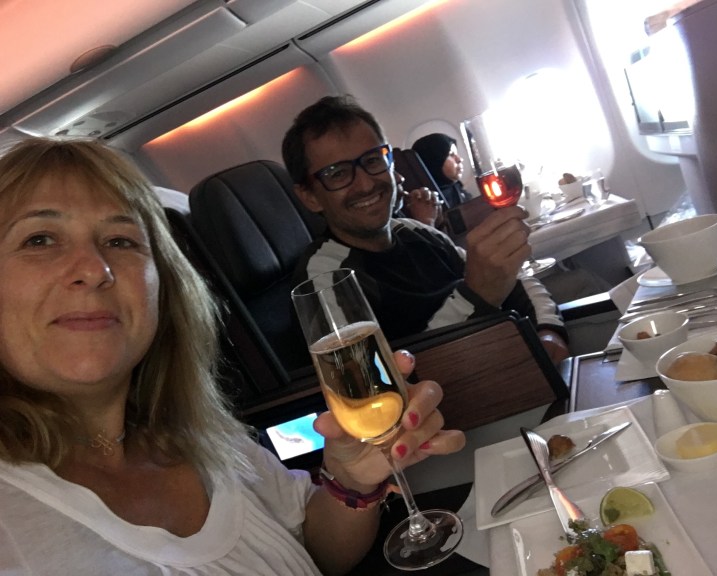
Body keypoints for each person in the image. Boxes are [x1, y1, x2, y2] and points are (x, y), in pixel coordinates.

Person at [0, 137, 465, 575]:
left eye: (121, 241)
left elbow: (315, 549)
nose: (94, 269)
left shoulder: (201, 433)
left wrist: (352, 480)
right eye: (39, 239)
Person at [283, 95, 569, 365]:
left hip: (516, 362)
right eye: (337, 174)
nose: (366, 184)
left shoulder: (417, 232)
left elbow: (510, 277)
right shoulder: (327, 280)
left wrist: (548, 330)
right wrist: (476, 295)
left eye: (373, 160)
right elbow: (378, 384)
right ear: (310, 196)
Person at [411, 133, 474, 209]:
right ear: (435, 161)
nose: (460, 159)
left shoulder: (457, 190)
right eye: (451, 154)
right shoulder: (424, 202)